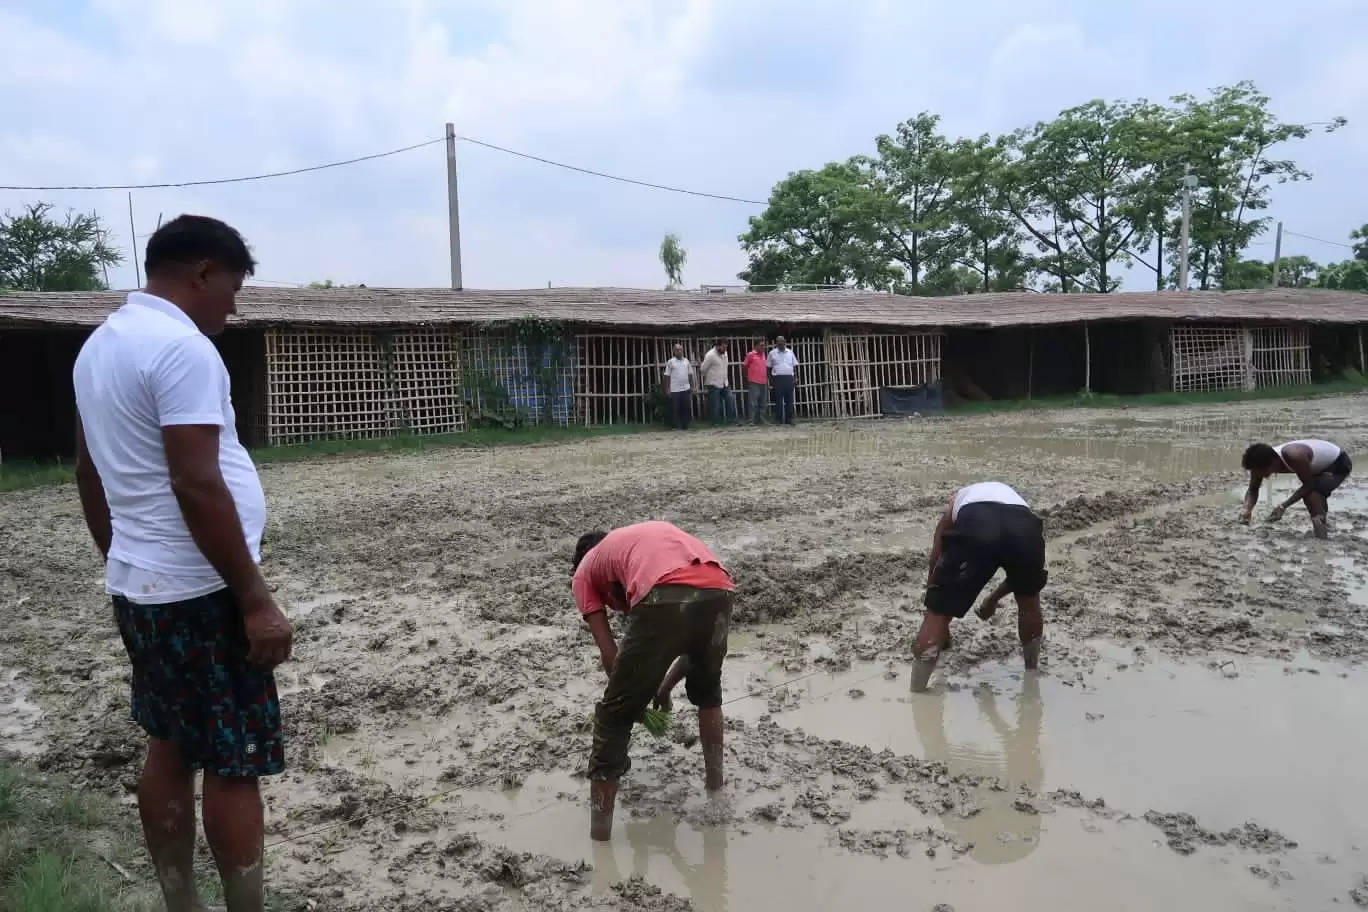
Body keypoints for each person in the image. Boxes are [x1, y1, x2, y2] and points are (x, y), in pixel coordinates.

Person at [72, 215, 293, 912]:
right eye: (232, 286)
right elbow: (196, 481)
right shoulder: (182, 349)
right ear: (201, 271)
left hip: (143, 589)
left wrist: (124, 557)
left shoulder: (99, 348)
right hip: (202, 592)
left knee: (168, 742)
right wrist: (254, 599)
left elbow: (88, 473)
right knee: (234, 760)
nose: (234, 304)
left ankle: (180, 902)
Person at [571, 521, 735, 841]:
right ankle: (716, 791)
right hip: (719, 586)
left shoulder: (584, 572)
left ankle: (599, 838)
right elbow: (691, 650)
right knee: (709, 695)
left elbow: (610, 654)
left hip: (663, 590)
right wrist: (661, 687)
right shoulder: (631, 547)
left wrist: (632, 700)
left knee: (612, 718)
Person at [910, 481, 1046, 692]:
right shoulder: (1014, 500)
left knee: (936, 614)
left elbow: (937, 554)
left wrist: (936, 596)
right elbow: (1020, 580)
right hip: (1025, 529)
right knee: (1029, 601)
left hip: (978, 523)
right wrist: (992, 599)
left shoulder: (955, 503)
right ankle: (1031, 674)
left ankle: (917, 693)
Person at [1240, 438, 1352, 539]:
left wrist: (1283, 506)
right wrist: (1247, 509)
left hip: (1338, 463)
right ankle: (1322, 521)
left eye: (1261, 472)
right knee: (1315, 495)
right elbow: (1253, 489)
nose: (1260, 475)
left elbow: (1309, 484)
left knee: (1312, 495)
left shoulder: (1294, 456)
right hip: (1315, 468)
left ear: (1272, 463)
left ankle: (1322, 538)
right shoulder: (1262, 462)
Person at [699, 339, 736, 426]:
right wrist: (711, 377)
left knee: (730, 400)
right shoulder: (710, 355)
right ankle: (715, 423)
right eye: (723, 347)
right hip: (713, 383)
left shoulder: (725, 353)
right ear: (718, 346)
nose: (725, 349)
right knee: (715, 405)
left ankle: (732, 420)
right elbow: (702, 369)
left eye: (726, 347)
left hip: (724, 382)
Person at [767, 336, 798, 425]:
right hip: (778, 378)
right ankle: (778, 419)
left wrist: (795, 377)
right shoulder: (772, 353)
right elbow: (768, 368)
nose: (780, 343)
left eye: (782, 341)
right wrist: (771, 380)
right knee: (778, 399)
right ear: (776, 343)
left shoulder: (790, 352)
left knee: (789, 399)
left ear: (785, 342)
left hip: (789, 378)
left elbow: (794, 366)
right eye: (778, 342)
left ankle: (789, 419)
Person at [663, 344, 695, 430]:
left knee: (686, 407)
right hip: (675, 389)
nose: (679, 351)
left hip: (685, 388)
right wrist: (667, 388)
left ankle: (686, 425)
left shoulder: (686, 361)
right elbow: (667, 376)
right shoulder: (671, 362)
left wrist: (692, 386)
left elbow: (690, 374)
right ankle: (676, 426)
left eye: (680, 350)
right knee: (675, 408)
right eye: (677, 350)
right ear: (673, 351)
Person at [743, 340, 769, 425]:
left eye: (764, 346)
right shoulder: (751, 355)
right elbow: (745, 366)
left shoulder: (764, 355)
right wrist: (747, 376)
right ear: (756, 346)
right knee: (753, 402)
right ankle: (751, 420)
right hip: (754, 381)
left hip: (763, 381)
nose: (763, 347)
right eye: (761, 345)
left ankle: (761, 419)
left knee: (763, 402)